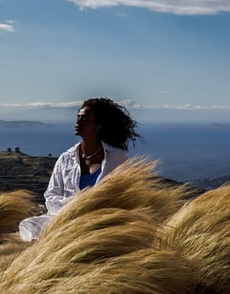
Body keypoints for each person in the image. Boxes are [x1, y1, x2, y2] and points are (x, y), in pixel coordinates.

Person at [18, 97, 139, 241]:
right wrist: (73, 206)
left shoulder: (116, 157)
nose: (77, 123)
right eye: (78, 118)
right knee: (28, 225)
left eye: (85, 120)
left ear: (98, 126)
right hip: (65, 218)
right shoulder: (66, 158)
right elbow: (51, 195)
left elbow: (125, 196)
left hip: (101, 220)